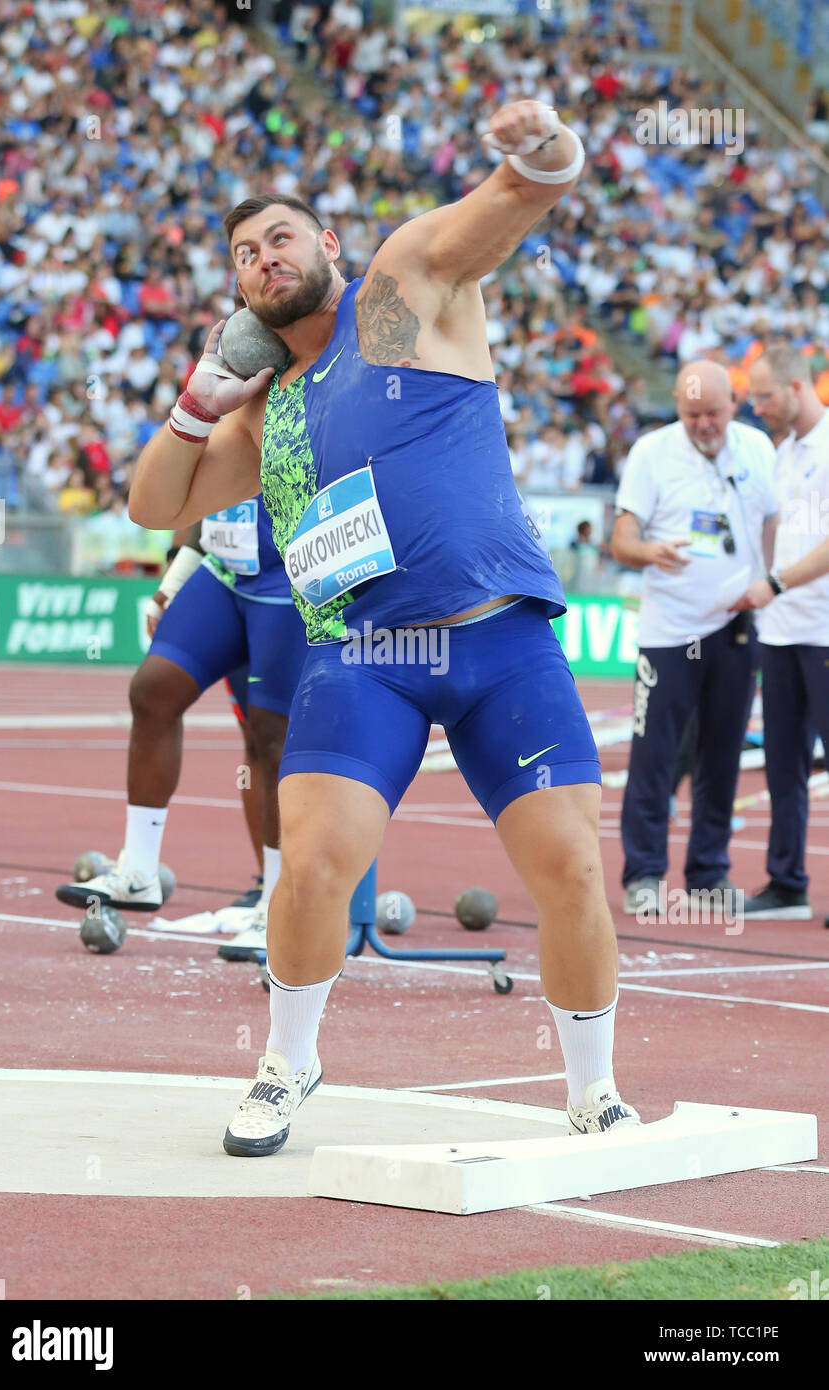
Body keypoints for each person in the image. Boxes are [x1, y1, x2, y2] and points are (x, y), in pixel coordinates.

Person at [130, 100, 643, 1156]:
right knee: (313, 862)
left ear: (325, 243)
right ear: (236, 291)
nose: (264, 258)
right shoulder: (261, 411)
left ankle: (592, 1088)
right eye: (242, 254)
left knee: (571, 871)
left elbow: (519, 199)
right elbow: (153, 502)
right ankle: (288, 1061)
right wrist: (195, 400)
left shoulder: (402, 295)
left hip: (498, 639)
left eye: (280, 236)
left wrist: (544, 145)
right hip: (366, 658)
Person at [56, 494, 308, 954]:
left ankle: (277, 904)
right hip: (224, 571)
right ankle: (139, 872)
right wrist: (174, 579)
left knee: (272, 740)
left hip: (286, 582)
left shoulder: (304, 417)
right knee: (153, 691)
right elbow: (212, 487)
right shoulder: (217, 419)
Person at [611, 361, 777, 914]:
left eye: (712, 413)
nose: (703, 424)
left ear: (735, 401)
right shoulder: (652, 453)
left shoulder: (757, 448)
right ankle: (644, 872)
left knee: (723, 754)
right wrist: (650, 552)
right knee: (654, 753)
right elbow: (622, 539)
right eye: (691, 415)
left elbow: (772, 524)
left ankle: (709, 869)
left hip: (738, 627)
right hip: (671, 631)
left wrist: (773, 586)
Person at [728, 344, 829, 919]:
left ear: (796, 387)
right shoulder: (781, 453)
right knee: (783, 762)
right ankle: (788, 881)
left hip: (823, 630)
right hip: (782, 631)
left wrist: (778, 582)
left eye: (764, 395)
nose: (757, 406)